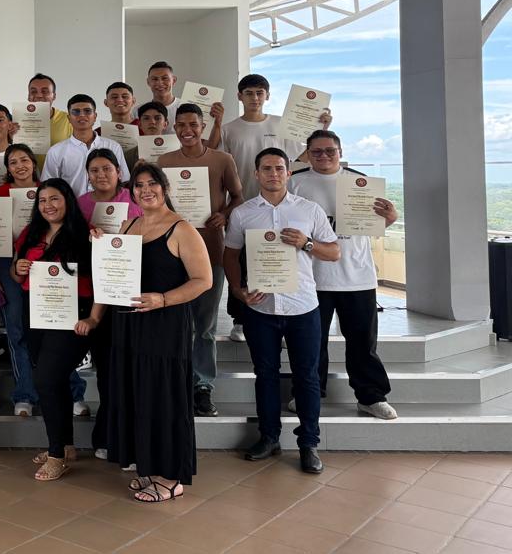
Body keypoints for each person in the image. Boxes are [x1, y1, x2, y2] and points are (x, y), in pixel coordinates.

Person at [80, 162, 211, 502]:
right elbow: (114, 271)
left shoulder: (182, 229)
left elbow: (203, 281)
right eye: (139, 185)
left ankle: (170, 477)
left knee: (163, 398)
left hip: (164, 326)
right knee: (138, 395)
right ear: (132, 192)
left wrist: (163, 299)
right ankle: (149, 467)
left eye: (152, 183)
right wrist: (102, 244)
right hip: (128, 324)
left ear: (165, 188)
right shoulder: (130, 224)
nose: (145, 190)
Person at [225, 148, 340, 475]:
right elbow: (229, 255)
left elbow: (334, 252)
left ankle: (309, 443)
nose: (273, 174)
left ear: (289, 173)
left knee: (307, 376)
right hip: (261, 308)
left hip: (303, 306)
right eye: (266, 168)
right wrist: (238, 290)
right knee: (265, 375)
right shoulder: (243, 214)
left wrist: (306, 243)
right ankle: (269, 436)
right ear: (256, 174)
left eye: (279, 168)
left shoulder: (309, 210)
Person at [289, 131, 398, 420]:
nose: (323, 156)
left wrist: (390, 219)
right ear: (307, 154)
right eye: (316, 152)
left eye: (330, 151)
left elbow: (372, 226)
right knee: (311, 343)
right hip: (311, 278)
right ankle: (309, 393)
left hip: (357, 276)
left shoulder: (360, 181)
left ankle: (371, 397)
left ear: (340, 151)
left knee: (363, 343)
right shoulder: (295, 182)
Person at [214, 74, 330, 341]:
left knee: (281, 258)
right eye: (249, 93)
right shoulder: (229, 129)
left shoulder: (281, 124)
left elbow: (300, 158)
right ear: (239, 96)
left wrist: (321, 127)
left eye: (259, 92)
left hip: (281, 204)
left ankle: (286, 317)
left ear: (267, 96)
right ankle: (240, 318)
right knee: (240, 259)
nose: (255, 98)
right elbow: (222, 165)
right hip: (244, 206)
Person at [156, 104, 244, 418]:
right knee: (172, 323)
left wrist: (224, 214)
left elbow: (238, 197)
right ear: (174, 127)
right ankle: (173, 380)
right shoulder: (164, 162)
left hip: (210, 250)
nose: (187, 130)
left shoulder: (222, 159)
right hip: (171, 252)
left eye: (193, 124)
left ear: (203, 126)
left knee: (204, 325)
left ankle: (202, 385)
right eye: (181, 125)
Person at [10, 178, 94, 481]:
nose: (48, 205)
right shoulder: (30, 233)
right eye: (43, 200)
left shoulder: (85, 235)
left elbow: (97, 279)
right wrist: (18, 269)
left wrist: (93, 318)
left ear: (67, 200)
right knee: (53, 381)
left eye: (54, 198)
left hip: (71, 317)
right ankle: (66, 445)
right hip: (35, 313)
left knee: (45, 380)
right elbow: (16, 275)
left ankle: (56, 455)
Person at [76, 147, 141, 456]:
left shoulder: (135, 201)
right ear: (88, 175)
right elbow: (71, 243)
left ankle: (129, 436)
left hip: (130, 292)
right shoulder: (81, 204)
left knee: (128, 368)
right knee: (106, 368)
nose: (101, 175)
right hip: (93, 294)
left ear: (119, 172)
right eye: (94, 170)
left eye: (107, 168)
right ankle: (106, 434)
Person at [0, 144, 42, 418]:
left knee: (50, 330)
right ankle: (24, 394)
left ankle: (68, 393)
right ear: (7, 168)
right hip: (7, 261)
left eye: (24, 160)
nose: (20, 166)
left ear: (33, 163)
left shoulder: (48, 189)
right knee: (16, 329)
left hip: (44, 262)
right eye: (13, 162)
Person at [42, 94, 129, 198]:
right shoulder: (55, 151)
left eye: (87, 111)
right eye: (76, 112)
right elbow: (48, 187)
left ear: (95, 116)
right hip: (72, 207)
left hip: (108, 206)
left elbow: (123, 181)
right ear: (69, 118)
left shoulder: (113, 147)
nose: (82, 115)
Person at [144, 62, 178, 132]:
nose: (160, 83)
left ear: (173, 80)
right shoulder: (138, 111)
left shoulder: (185, 107)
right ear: (148, 82)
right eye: (155, 79)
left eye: (165, 78)